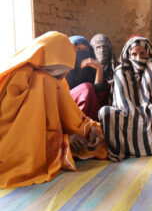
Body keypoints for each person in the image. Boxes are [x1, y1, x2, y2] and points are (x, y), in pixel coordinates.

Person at [0, 31, 107, 188]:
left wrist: (88, 128)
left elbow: (70, 114)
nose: (63, 76)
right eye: (60, 72)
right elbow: (21, 137)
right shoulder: (29, 79)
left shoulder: (55, 80)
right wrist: (62, 141)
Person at [99, 36, 152, 161]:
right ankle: (135, 147)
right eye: (134, 54)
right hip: (129, 115)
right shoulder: (120, 71)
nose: (138, 58)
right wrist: (141, 117)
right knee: (105, 112)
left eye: (142, 53)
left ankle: (151, 144)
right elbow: (123, 105)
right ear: (128, 55)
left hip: (150, 111)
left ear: (148, 53)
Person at [66, 35, 107, 120]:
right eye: (78, 48)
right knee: (86, 88)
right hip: (67, 107)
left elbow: (99, 94)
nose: (82, 53)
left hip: (89, 107)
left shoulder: (90, 69)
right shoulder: (64, 69)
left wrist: (99, 68)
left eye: (86, 50)